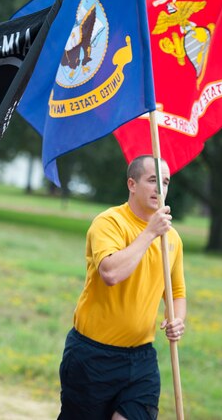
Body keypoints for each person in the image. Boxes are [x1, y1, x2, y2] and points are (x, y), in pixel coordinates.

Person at [58, 155, 186, 420]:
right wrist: (149, 233)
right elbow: (111, 273)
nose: (160, 189)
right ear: (132, 184)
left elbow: (176, 293)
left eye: (165, 182)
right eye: (153, 181)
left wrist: (176, 319)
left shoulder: (172, 238)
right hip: (92, 357)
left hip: (141, 360)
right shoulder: (109, 222)